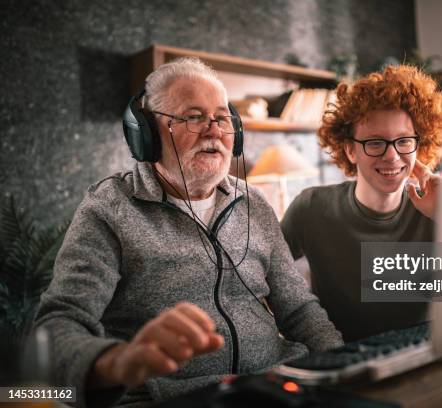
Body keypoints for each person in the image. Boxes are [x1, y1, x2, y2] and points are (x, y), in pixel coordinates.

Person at [35, 57, 342, 408]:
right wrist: (118, 360)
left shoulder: (253, 203)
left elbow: (300, 311)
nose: (214, 130)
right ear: (146, 134)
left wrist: (346, 367)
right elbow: (58, 325)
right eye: (194, 117)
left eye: (222, 118)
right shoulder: (108, 210)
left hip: (274, 388)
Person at [281, 65, 442, 342]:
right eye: (375, 143)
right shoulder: (311, 208)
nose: (392, 156)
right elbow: (259, 277)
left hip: (425, 355)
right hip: (343, 360)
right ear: (350, 149)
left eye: (403, 141)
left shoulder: (437, 207)